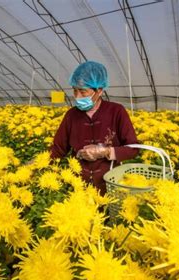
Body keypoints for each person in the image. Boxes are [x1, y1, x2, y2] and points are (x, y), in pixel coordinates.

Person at [50, 61, 139, 195]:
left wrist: (105, 151)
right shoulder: (71, 115)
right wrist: (35, 165)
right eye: (75, 91)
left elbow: (133, 149)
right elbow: (57, 149)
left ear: (99, 90)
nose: (77, 96)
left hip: (111, 184)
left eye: (83, 91)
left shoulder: (116, 111)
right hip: (78, 186)